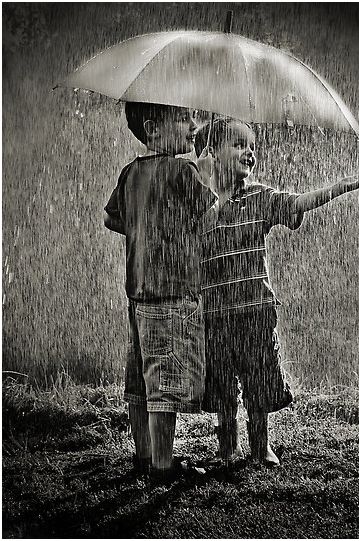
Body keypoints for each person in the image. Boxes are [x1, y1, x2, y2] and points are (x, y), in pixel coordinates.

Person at [195, 117, 359, 466]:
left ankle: (260, 446)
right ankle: (228, 448)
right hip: (215, 313)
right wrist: (208, 190)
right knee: (221, 386)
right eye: (239, 144)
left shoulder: (260, 197)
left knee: (258, 379)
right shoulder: (200, 202)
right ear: (211, 153)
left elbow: (297, 203)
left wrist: (341, 186)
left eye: (253, 147)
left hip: (256, 309)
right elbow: (189, 236)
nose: (250, 152)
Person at [104, 102, 216, 482]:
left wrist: (143, 229)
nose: (193, 124)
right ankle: (163, 466)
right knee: (164, 383)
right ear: (153, 129)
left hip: (138, 294)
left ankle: (143, 456)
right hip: (171, 293)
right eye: (184, 118)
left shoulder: (130, 172)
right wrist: (210, 175)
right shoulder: (182, 170)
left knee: (140, 380)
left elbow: (110, 218)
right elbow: (210, 215)